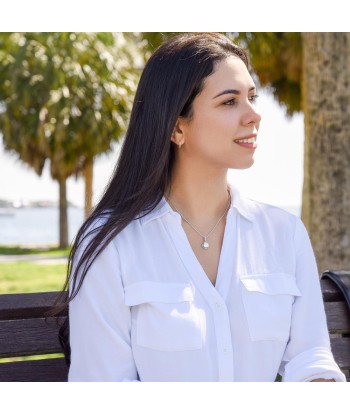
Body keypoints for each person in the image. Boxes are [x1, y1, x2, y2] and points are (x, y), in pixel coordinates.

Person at [64, 32, 346, 382]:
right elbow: (103, 385)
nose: (254, 115)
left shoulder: (284, 234)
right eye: (230, 102)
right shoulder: (111, 244)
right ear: (177, 126)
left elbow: (310, 357)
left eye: (252, 97)